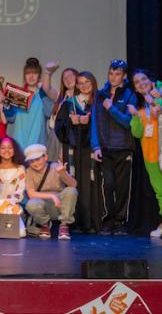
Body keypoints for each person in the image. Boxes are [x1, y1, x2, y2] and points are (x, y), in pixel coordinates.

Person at [90, 59, 137, 236]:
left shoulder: (130, 94)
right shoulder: (100, 95)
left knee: (122, 187)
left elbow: (128, 122)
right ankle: (108, 220)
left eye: (117, 74)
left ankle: (120, 221)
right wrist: (95, 146)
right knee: (108, 185)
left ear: (124, 76)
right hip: (105, 148)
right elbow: (94, 121)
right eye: (111, 73)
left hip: (123, 147)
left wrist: (111, 108)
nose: (113, 77)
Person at [128, 70, 162, 238]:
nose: (141, 83)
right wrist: (135, 116)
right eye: (137, 82)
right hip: (149, 156)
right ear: (135, 88)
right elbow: (137, 133)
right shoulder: (140, 109)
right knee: (160, 191)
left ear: (151, 81)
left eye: (144, 79)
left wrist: (157, 103)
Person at [54, 71, 103, 233]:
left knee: (91, 184)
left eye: (87, 82)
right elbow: (59, 129)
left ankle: (91, 223)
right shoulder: (69, 104)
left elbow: (102, 128)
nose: (83, 85)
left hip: (91, 151)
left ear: (93, 82)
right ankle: (74, 223)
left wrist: (86, 123)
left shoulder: (99, 102)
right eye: (80, 82)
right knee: (74, 183)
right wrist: (72, 123)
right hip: (73, 151)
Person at [24, 143, 78, 240]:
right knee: (31, 204)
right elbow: (31, 194)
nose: (35, 163)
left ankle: (64, 225)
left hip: (60, 205)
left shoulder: (56, 166)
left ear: (45, 157)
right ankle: (45, 224)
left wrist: (63, 173)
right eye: (31, 161)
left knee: (71, 191)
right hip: (44, 205)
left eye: (38, 159)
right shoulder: (29, 172)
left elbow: (73, 185)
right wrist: (52, 196)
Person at [4, 58, 53, 150]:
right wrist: (7, 106)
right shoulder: (17, 94)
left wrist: (43, 92)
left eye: (34, 73)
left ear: (39, 76)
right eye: (28, 73)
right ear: (24, 76)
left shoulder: (42, 95)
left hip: (38, 145)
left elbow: (50, 112)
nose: (31, 76)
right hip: (19, 145)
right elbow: (10, 119)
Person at [0, 137, 26, 238]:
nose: (6, 150)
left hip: (10, 205)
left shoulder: (20, 169)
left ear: (14, 151)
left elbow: (20, 191)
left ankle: (4, 219)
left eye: (10, 148)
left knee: (21, 234)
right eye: (3, 148)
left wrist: (8, 204)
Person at [46, 67, 78, 162]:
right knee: (54, 169)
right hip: (55, 138)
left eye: (71, 76)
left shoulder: (84, 96)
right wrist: (48, 72)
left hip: (73, 139)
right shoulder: (61, 96)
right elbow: (47, 88)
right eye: (65, 78)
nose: (68, 79)